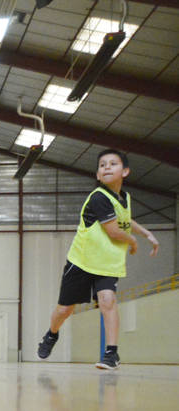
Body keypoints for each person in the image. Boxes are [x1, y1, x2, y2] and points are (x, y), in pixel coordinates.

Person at [37, 149, 159, 370]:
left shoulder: (125, 198)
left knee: (108, 301)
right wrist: (133, 242)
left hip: (107, 263)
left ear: (126, 171)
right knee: (65, 310)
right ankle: (51, 334)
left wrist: (146, 233)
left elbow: (125, 220)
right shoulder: (99, 198)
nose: (107, 167)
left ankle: (111, 353)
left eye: (113, 163)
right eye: (102, 165)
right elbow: (114, 231)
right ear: (97, 175)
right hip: (82, 261)